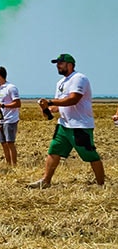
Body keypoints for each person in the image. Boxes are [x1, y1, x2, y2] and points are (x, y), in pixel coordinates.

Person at [30, 53, 105, 188]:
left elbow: (73, 99)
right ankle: (46, 181)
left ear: (70, 65)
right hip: (64, 124)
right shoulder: (60, 83)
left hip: (80, 125)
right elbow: (58, 105)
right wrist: (48, 108)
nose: (58, 66)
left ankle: (101, 184)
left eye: (60, 63)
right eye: (57, 63)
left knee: (90, 155)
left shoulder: (79, 78)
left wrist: (51, 101)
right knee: (54, 151)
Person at [0, 66, 21, 167]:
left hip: (10, 119)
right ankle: (8, 164)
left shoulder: (11, 88)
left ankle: (14, 165)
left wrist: (4, 105)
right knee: (3, 143)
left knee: (10, 142)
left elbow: (17, 103)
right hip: (1, 121)